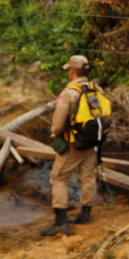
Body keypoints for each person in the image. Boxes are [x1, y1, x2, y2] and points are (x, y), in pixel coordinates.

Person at [41, 55, 99, 236]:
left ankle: (61, 223)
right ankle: (85, 214)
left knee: (58, 178)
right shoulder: (96, 88)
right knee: (88, 176)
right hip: (92, 142)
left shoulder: (68, 93)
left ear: (72, 72)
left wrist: (55, 135)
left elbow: (58, 125)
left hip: (73, 144)